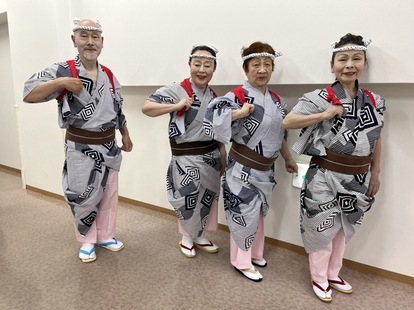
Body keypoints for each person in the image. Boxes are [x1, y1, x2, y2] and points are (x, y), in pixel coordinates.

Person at [282, 33, 385, 302]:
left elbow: (377, 138)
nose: (349, 64)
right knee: (321, 228)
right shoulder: (320, 97)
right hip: (324, 175)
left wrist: (376, 172)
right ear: (332, 65)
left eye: (356, 59)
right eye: (342, 59)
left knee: (343, 227)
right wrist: (324, 114)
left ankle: (333, 272)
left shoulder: (375, 100)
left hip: (358, 177)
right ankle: (318, 277)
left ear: (364, 63)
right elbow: (289, 121)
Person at [23, 19, 133, 263]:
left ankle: (106, 235)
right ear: (74, 40)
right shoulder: (63, 70)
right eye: (84, 36)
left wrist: (125, 133)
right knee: (83, 196)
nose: (90, 42)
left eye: (95, 37)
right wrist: (61, 83)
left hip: (109, 146)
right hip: (80, 147)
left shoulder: (110, 75)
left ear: (102, 42)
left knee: (108, 193)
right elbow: (28, 93)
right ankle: (87, 239)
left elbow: (118, 109)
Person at [204, 41, 298, 282]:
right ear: (246, 69)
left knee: (258, 214)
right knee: (243, 213)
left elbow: (281, 135)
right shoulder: (236, 96)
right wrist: (239, 112)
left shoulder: (278, 101)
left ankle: (255, 253)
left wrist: (288, 158)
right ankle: (241, 261)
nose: (262, 69)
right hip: (242, 168)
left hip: (266, 169)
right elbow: (213, 122)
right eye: (256, 64)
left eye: (267, 64)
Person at [142, 45, 226, 258]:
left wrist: (222, 154)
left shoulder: (214, 96)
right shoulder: (175, 90)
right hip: (185, 156)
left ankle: (200, 236)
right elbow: (147, 108)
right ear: (189, 64)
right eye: (197, 64)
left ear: (214, 68)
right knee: (187, 197)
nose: (202, 69)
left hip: (211, 156)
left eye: (207, 65)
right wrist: (176, 105)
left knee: (208, 198)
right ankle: (187, 237)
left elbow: (218, 130)